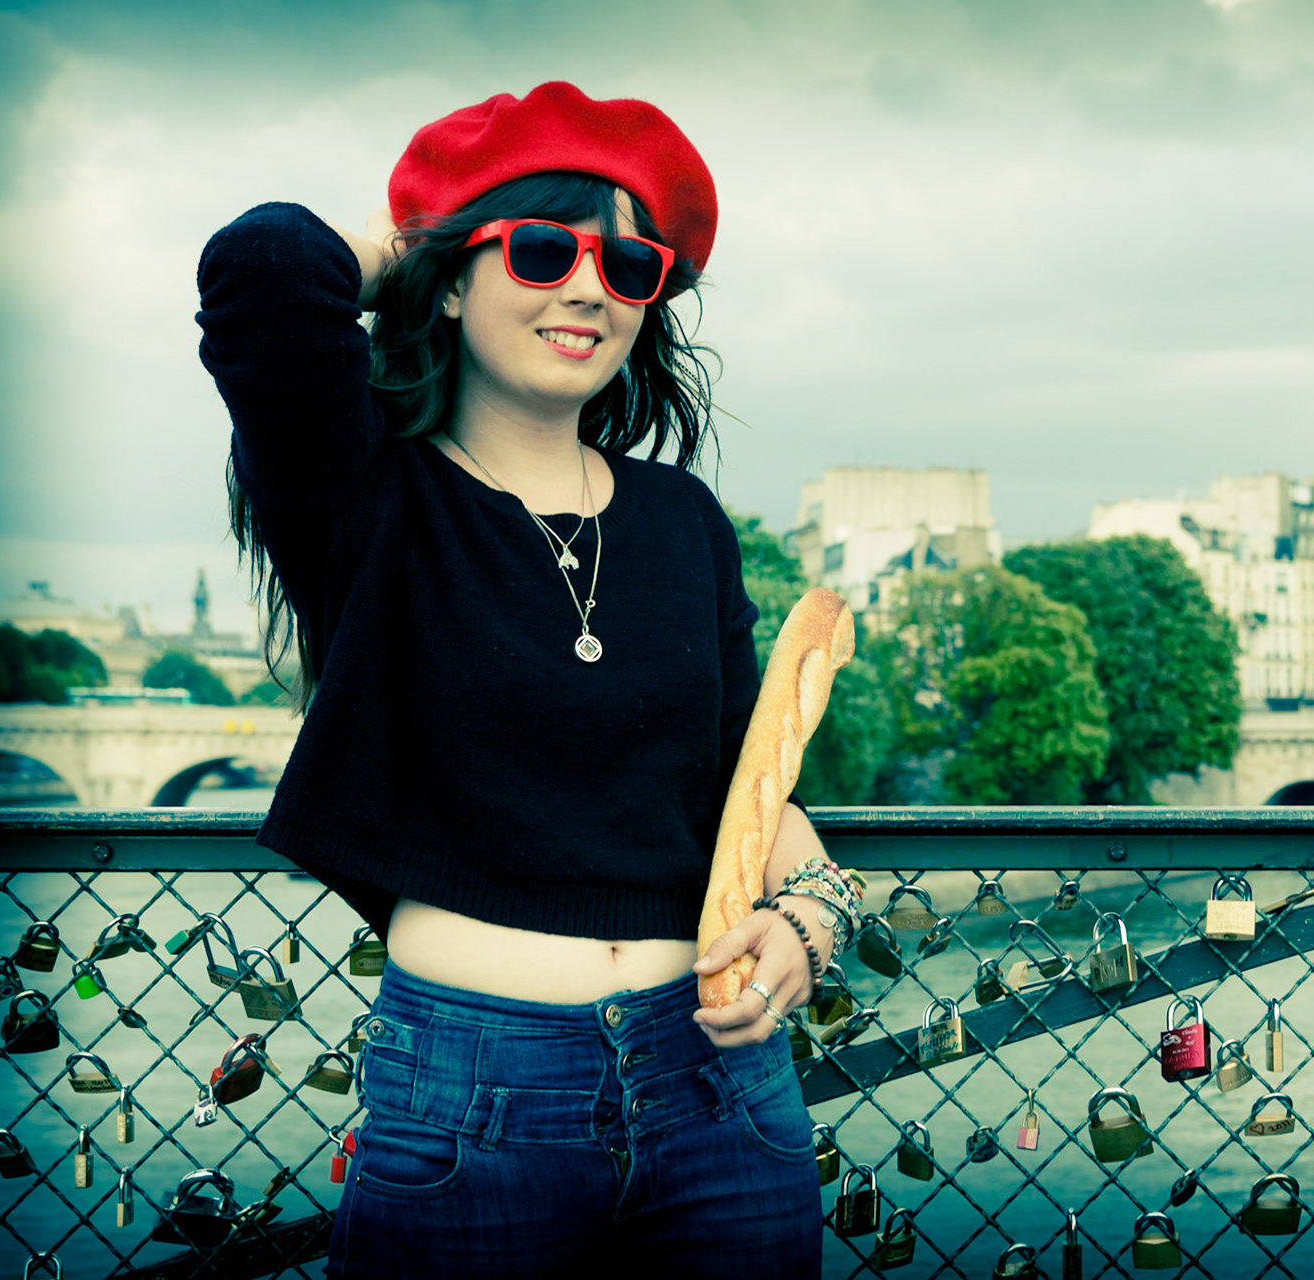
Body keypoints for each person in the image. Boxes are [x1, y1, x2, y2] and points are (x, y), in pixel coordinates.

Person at [195, 83, 861, 1278]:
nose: (590, 287)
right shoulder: (367, 497)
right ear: (450, 281)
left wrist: (811, 917)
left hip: (722, 1088)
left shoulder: (684, 520)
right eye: (545, 250)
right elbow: (264, 268)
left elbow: (746, 778)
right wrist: (421, 237)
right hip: (473, 1094)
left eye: (629, 265)